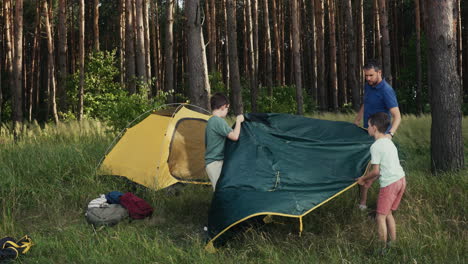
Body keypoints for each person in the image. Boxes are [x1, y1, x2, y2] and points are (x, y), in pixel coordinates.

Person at [354, 60, 402, 210]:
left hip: (380, 136)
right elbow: (366, 102)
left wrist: (390, 134)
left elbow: (397, 116)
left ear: (379, 73)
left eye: (371, 75)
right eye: (366, 75)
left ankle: (365, 204)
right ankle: (362, 201)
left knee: (372, 170)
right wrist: (358, 117)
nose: (367, 78)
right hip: (366, 131)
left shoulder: (386, 91)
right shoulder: (369, 85)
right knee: (363, 166)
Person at [356, 112, 406, 250]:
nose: (367, 127)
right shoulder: (389, 142)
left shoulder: (375, 146)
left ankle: (382, 249)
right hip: (401, 180)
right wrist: (371, 180)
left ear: (375, 128)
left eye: (369, 125)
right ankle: (393, 243)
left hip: (390, 185)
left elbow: (376, 171)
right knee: (388, 213)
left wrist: (363, 179)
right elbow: (386, 167)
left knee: (380, 217)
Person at [205, 93, 244, 191]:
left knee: (221, 191)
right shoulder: (218, 121)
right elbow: (235, 136)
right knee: (220, 192)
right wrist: (238, 121)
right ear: (222, 107)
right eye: (227, 108)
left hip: (212, 163)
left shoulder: (210, 121)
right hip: (215, 163)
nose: (227, 111)